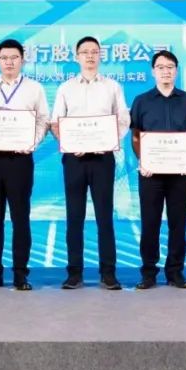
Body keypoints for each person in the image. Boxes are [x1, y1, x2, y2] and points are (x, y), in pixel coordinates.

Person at [50, 36, 130, 291]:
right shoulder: (66, 88)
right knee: (74, 217)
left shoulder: (112, 87)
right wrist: (70, 142)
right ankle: (74, 273)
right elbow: (55, 123)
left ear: (100, 55)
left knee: (105, 217)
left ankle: (108, 273)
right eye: (84, 52)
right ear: (76, 57)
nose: (90, 56)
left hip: (102, 158)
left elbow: (123, 120)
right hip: (74, 159)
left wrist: (107, 141)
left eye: (94, 51)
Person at [0, 38, 49, 291]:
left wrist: (31, 142)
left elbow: (43, 120)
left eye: (14, 57)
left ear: (22, 60)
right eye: (4, 58)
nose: (9, 62)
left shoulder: (34, 88)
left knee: (20, 218)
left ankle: (20, 273)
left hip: (20, 160)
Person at [129, 50, 186, 290]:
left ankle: (175, 272)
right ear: (153, 72)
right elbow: (135, 135)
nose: (165, 71)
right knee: (150, 223)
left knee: (178, 225)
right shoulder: (141, 101)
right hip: (150, 175)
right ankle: (148, 273)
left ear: (176, 71)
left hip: (180, 175)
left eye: (170, 67)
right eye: (160, 67)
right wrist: (143, 160)